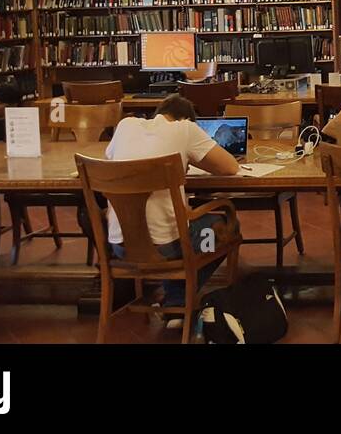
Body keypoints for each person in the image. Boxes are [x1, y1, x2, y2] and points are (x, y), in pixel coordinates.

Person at [102, 95, 240, 314]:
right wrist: (190, 158)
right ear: (186, 119)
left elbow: (111, 162)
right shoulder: (185, 128)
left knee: (179, 226)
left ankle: (173, 297)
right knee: (225, 226)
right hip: (167, 249)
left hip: (120, 247)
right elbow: (230, 167)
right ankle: (178, 299)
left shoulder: (125, 125)